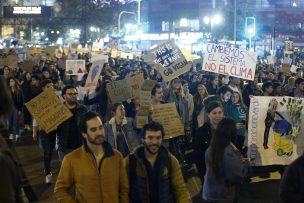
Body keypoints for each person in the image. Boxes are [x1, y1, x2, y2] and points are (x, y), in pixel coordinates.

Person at [54, 111, 129, 203]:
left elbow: (124, 189)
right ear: (84, 134)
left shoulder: (117, 156)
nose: (99, 133)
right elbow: (60, 190)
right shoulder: (71, 160)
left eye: (100, 128)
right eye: (93, 130)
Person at [125, 121, 190, 203]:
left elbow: (180, 190)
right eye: (150, 138)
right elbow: (124, 191)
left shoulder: (171, 161)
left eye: (158, 138)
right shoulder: (131, 161)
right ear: (143, 139)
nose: (155, 142)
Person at [203, 118, 250, 203]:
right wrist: (245, 164)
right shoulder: (227, 151)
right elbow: (237, 175)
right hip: (223, 195)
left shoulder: (211, 148)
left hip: (210, 192)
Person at [193, 101, 224, 183]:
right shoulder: (201, 132)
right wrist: (202, 174)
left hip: (225, 171)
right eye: (214, 113)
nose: (218, 115)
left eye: (220, 112)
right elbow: (198, 154)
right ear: (208, 114)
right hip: (208, 171)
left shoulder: (227, 129)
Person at [56, 85, 88, 161]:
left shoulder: (83, 109)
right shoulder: (58, 110)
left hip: (81, 146)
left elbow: (87, 125)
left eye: (75, 94)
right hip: (64, 147)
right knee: (66, 171)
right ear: (64, 95)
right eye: (70, 94)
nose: (73, 96)